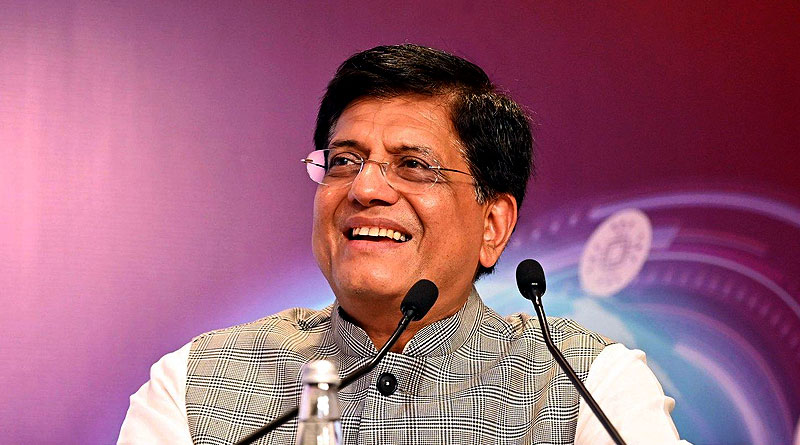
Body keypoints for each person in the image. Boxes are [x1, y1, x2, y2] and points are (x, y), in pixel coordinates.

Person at [119, 44, 690, 444]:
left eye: (413, 165)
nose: (365, 188)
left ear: (492, 225)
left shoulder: (585, 385)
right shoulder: (194, 384)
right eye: (344, 161)